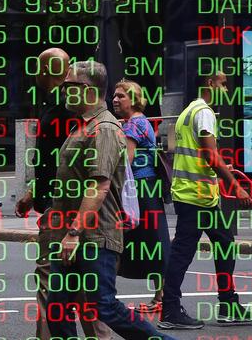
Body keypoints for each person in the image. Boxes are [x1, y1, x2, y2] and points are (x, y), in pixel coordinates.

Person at [46, 61, 176, 340]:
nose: (64, 91)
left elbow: (99, 184)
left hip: (95, 236)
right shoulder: (81, 127)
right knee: (57, 307)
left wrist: (73, 233)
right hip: (72, 235)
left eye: (70, 86)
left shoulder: (104, 129)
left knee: (104, 306)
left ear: (89, 90)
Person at [15, 48, 112, 340]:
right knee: (81, 292)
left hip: (64, 212)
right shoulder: (67, 105)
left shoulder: (64, 105)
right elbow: (61, 160)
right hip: (69, 208)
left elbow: (73, 162)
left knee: (51, 286)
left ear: (45, 71)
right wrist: (34, 192)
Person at [158, 68, 252, 330]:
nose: (225, 90)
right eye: (223, 84)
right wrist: (235, 185)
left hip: (194, 194)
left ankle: (228, 304)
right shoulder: (204, 113)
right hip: (195, 196)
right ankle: (171, 310)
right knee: (183, 252)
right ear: (210, 83)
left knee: (224, 243)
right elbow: (210, 156)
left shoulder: (187, 112)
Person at [113, 79, 171, 312]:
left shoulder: (134, 125)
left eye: (121, 96)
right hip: (146, 188)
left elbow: (124, 162)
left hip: (141, 189)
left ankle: (162, 297)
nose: (115, 100)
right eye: (115, 96)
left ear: (134, 100)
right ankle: (161, 296)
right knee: (153, 241)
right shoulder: (137, 122)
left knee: (150, 242)